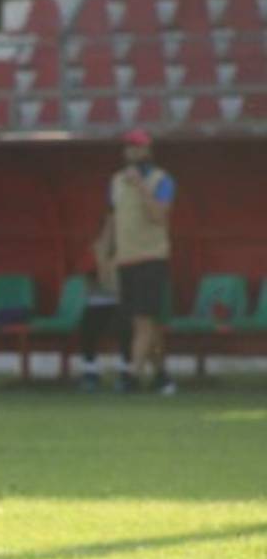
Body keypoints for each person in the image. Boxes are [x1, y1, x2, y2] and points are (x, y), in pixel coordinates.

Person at [92, 129, 176, 395]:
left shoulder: (162, 180)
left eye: (138, 147)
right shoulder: (116, 181)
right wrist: (104, 252)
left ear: (148, 150)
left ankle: (131, 375)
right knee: (144, 323)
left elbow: (159, 217)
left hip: (151, 256)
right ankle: (161, 375)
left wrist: (141, 186)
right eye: (129, 146)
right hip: (126, 258)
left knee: (143, 320)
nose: (132, 151)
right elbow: (113, 218)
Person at [77, 245, 133, 392]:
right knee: (86, 329)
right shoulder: (94, 253)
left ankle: (125, 372)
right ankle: (91, 372)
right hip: (96, 304)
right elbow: (87, 279)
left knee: (126, 329)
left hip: (121, 304)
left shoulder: (129, 253)